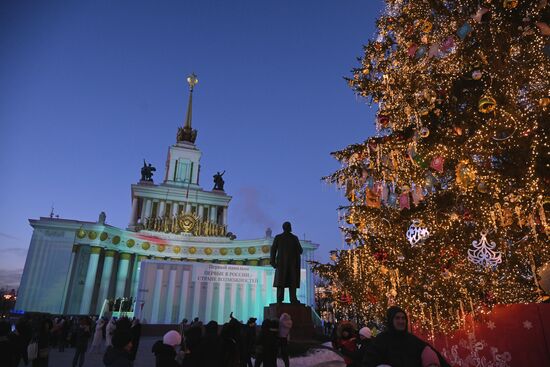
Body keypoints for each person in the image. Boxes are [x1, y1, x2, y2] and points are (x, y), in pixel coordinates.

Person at [362, 306, 448, 367]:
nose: (401, 321)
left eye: (403, 318)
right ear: (391, 320)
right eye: (397, 318)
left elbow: (429, 351)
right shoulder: (381, 340)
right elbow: (369, 362)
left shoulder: (412, 340)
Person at [270, 221, 303, 304]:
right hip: (289, 264)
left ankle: (282, 299)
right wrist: (272, 261)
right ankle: (291, 299)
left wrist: (272, 261)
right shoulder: (293, 238)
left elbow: (273, 250)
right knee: (289, 282)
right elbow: (300, 250)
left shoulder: (279, 237)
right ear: (289, 228)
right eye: (289, 226)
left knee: (285, 282)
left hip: (283, 264)